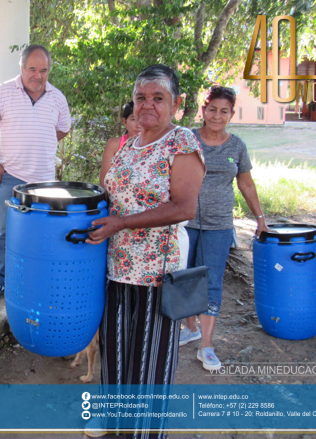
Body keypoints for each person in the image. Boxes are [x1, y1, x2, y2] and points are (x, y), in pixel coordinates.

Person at [86, 64, 205, 438]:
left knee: (149, 360)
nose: (147, 105)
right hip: (116, 268)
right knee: (116, 352)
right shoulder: (129, 146)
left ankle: (145, 432)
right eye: (141, 98)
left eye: (158, 98)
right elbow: (113, 198)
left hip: (157, 274)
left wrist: (120, 224)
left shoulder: (181, 142)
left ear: (176, 104)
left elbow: (185, 207)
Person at [180, 85, 269, 372]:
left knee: (212, 281)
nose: (217, 116)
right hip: (183, 220)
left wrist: (260, 218)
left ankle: (206, 344)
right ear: (203, 110)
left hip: (219, 225)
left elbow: (246, 183)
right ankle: (189, 326)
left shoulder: (237, 146)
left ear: (231, 114)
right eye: (212, 109)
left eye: (224, 111)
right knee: (182, 276)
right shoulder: (187, 138)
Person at [0, 44, 71, 301]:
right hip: (11, 174)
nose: (38, 75)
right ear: (22, 68)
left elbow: (63, 128)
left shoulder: (57, 97)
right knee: (3, 229)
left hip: (45, 179)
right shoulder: (2, 93)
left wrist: (42, 139)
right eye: (32, 69)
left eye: (43, 70)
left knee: (41, 230)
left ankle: (34, 277)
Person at [99, 101, 141, 184]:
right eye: (134, 119)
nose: (138, 125)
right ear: (125, 122)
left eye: (143, 119)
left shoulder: (159, 146)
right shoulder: (114, 145)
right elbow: (104, 183)